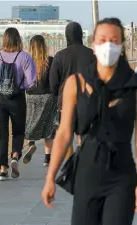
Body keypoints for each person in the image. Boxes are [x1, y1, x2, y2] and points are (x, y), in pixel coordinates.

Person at [41, 17, 137, 225]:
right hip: (86, 174)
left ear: (121, 45)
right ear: (93, 44)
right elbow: (64, 133)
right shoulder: (76, 83)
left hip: (121, 175)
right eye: (102, 39)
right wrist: (50, 176)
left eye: (114, 40)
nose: (108, 45)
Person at [0, 27, 36, 181]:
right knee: (18, 132)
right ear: (18, 39)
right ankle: (14, 156)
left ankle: (2, 169)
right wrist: (20, 84)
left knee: (2, 134)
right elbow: (31, 82)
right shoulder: (25, 57)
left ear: (4, 39)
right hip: (17, 98)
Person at [49, 21, 96, 158]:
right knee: (83, 135)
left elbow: (53, 82)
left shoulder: (60, 56)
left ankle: (70, 164)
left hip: (66, 103)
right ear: (81, 35)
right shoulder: (91, 54)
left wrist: (58, 95)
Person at [22, 35, 58, 167]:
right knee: (48, 128)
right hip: (48, 96)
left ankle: (31, 143)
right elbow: (54, 80)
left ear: (31, 47)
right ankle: (47, 159)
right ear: (44, 46)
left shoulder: (27, 61)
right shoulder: (51, 60)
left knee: (31, 122)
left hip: (31, 96)